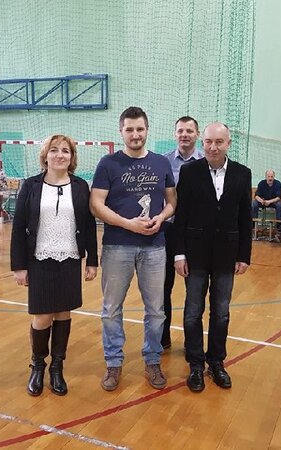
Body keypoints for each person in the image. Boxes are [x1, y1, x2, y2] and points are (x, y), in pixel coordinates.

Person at [90, 107, 176, 391]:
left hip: (154, 247)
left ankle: (152, 360)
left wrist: (160, 218)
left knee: (157, 311)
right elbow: (96, 205)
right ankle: (113, 363)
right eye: (129, 129)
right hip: (117, 246)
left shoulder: (161, 163)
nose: (135, 134)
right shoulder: (108, 164)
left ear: (147, 130)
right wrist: (129, 224)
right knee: (111, 309)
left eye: (140, 129)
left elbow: (172, 202)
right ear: (121, 131)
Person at [11, 134, 98, 396]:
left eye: (65, 151)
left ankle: (57, 368)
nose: (60, 155)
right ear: (45, 155)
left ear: (72, 157)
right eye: (54, 150)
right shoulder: (31, 185)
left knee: (63, 313)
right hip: (39, 259)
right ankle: (38, 365)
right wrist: (19, 266)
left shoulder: (81, 186)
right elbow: (18, 226)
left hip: (70, 258)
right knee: (42, 315)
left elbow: (88, 225)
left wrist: (92, 260)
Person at [174, 122, 252, 392]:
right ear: (202, 142)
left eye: (219, 142)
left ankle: (216, 362)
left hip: (226, 256)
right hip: (195, 254)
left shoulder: (242, 173)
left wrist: (244, 255)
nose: (213, 147)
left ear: (228, 143)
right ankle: (195, 364)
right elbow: (181, 215)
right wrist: (179, 254)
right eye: (208, 141)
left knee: (221, 313)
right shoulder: (189, 171)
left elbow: (245, 218)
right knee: (192, 311)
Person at [162, 116, 203, 350]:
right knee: (163, 288)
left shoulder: (206, 162)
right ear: (175, 134)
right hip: (167, 231)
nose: (184, 135)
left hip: (194, 233)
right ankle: (162, 338)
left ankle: (192, 344)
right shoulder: (163, 162)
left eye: (189, 131)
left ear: (197, 134)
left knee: (194, 291)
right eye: (180, 131)